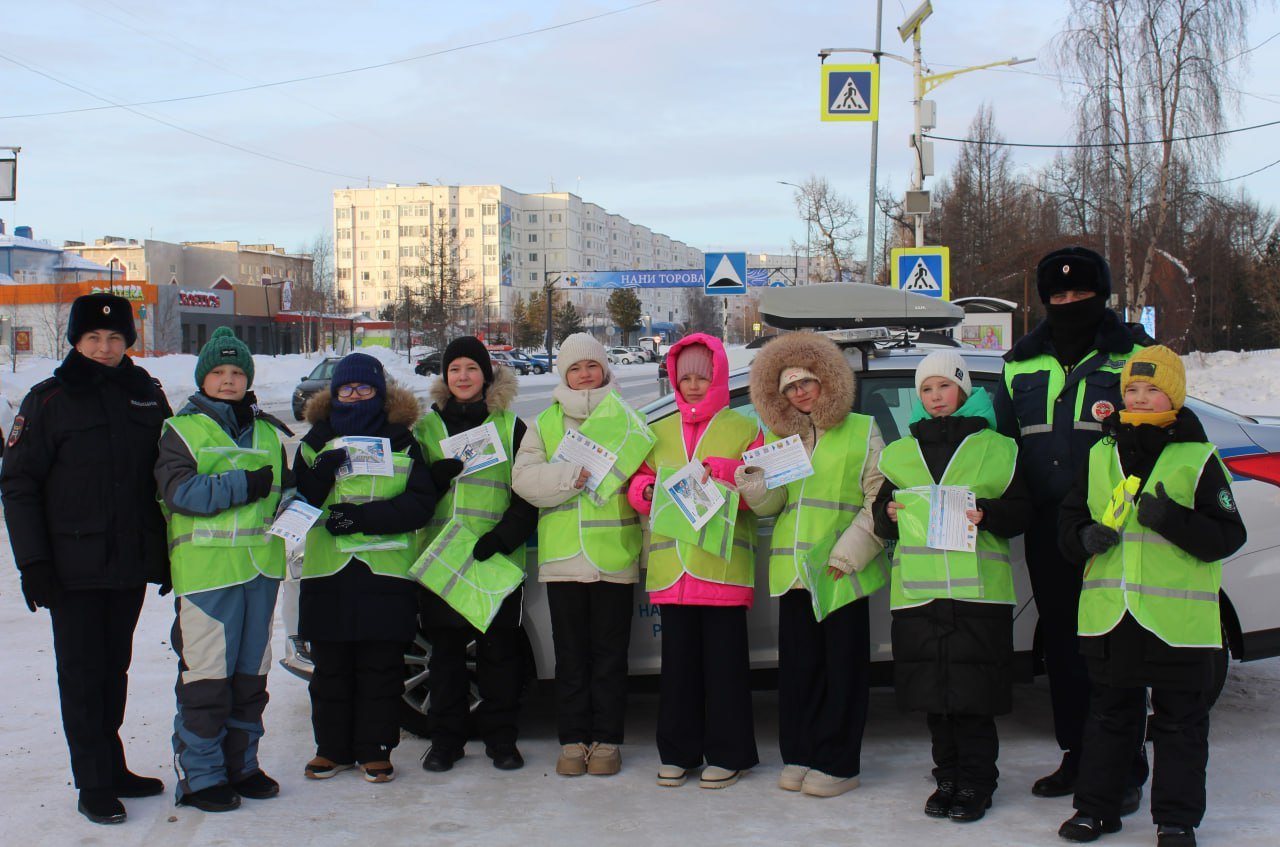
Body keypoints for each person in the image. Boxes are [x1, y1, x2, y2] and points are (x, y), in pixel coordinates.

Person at [1055, 347, 1245, 846]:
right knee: (1109, 717)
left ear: (1174, 396)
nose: (1139, 399)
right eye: (1131, 391)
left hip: (1176, 621)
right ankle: (1096, 809)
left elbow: (1228, 537)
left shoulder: (1197, 456)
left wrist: (1173, 520)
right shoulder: (1101, 454)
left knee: (1180, 724)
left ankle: (1176, 820)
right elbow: (1068, 522)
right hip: (1111, 618)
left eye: (1152, 389)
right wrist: (1082, 538)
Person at [1, 293, 171, 825]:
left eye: (115, 338)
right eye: (94, 338)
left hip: (127, 563)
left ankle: (113, 766)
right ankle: (93, 783)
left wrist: (165, 552)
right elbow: (19, 484)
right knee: (80, 673)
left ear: (128, 342)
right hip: (70, 567)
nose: (104, 347)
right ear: (76, 340)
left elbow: (168, 475)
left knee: (114, 670)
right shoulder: (47, 400)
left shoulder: (146, 395)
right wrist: (34, 564)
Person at [994, 246, 1151, 806]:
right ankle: (1077, 756)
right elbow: (1002, 446)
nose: (1068, 303)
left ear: (1101, 294)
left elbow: (1159, 429)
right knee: (1062, 644)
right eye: (1057, 296)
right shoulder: (1021, 361)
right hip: (1047, 530)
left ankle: (1126, 766)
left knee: (1116, 647)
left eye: (1079, 294)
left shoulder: (1134, 354)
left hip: (1116, 527)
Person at [872, 351, 1031, 823]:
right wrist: (891, 516)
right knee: (935, 698)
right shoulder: (899, 453)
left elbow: (1024, 511)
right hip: (919, 597)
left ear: (962, 390)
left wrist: (990, 514)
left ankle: (978, 782)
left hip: (978, 595)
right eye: (926, 389)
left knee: (973, 698)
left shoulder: (998, 448)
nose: (935, 396)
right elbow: (882, 517)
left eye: (943, 386)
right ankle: (947, 778)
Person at [734, 331, 887, 798]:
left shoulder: (862, 429)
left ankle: (839, 762)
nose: (799, 393)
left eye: (806, 382)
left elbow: (878, 497)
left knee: (843, 669)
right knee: (799, 670)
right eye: (788, 388)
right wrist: (755, 485)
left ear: (826, 380)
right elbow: (772, 506)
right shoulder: (781, 438)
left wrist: (850, 553)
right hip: (794, 574)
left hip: (842, 568)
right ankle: (800, 753)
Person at [155, 326, 293, 812]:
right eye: (219, 372)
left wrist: (298, 498)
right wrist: (241, 485)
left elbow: (280, 493)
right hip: (207, 576)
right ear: (203, 378)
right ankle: (201, 776)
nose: (229, 380)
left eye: (237, 372)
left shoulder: (268, 432)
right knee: (207, 679)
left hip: (259, 573)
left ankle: (242, 765)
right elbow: (180, 494)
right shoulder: (181, 430)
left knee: (250, 679)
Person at [295, 352, 442, 784]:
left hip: (384, 572)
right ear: (334, 393)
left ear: (379, 394)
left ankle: (376, 749)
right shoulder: (314, 441)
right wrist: (319, 475)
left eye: (365, 389)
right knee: (331, 670)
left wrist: (363, 520)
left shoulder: (402, 440)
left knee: (381, 669)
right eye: (347, 388)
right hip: (328, 572)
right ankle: (332, 749)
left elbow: (419, 504)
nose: (355, 395)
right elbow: (296, 503)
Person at [627, 333, 763, 789]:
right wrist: (644, 493)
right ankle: (678, 752)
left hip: (722, 569)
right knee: (678, 670)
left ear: (719, 377)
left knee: (725, 671)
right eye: (683, 378)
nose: (692, 386)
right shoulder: (659, 430)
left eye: (701, 377)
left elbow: (760, 494)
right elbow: (638, 481)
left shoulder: (744, 428)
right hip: (674, 571)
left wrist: (724, 473)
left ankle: (729, 753)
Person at [512, 333, 642, 777]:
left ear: (604, 369)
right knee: (570, 656)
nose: (585, 375)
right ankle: (572, 741)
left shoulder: (627, 420)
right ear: (563, 374)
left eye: (592, 366)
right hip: (563, 558)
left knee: (610, 656)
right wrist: (571, 474)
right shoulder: (544, 423)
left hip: (614, 555)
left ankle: (606, 741)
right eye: (575, 368)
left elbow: (643, 486)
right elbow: (524, 480)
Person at [414, 337, 537, 773]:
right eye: (454, 370)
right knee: (445, 656)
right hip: (443, 557)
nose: (462, 377)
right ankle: (445, 742)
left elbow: (528, 493)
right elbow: (410, 494)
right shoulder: (425, 429)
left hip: (494, 556)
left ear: (486, 374)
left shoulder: (510, 426)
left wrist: (504, 537)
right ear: (445, 378)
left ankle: (502, 741)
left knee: (499, 655)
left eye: (470, 368)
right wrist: (432, 479)